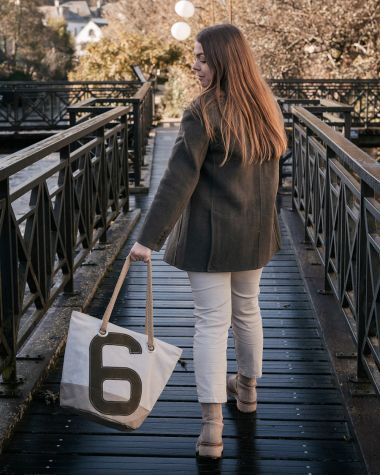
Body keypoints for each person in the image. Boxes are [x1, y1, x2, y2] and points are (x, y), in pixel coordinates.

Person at [129, 23, 287, 459]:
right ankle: (248, 393)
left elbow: (177, 180)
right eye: (194, 56)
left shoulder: (202, 112)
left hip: (210, 239)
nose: (194, 65)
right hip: (254, 235)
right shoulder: (267, 107)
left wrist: (147, 240)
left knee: (211, 325)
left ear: (223, 60)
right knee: (247, 311)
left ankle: (212, 431)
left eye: (201, 57)